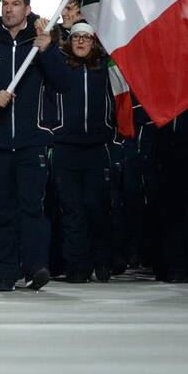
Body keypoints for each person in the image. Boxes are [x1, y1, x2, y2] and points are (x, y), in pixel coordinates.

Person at [0, 0, 69, 292]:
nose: (9, 9)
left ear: (26, 8)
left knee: (32, 208)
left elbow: (62, 83)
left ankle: (35, 266)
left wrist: (47, 50)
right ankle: (4, 272)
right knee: (1, 210)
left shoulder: (39, 45)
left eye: (16, 4)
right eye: (6, 4)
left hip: (32, 142)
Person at [51, 22, 116, 283]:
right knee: (72, 210)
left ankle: (101, 263)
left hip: (97, 148)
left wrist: (113, 134)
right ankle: (77, 267)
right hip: (66, 148)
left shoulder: (105, 69)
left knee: (97, 208)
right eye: (76, 37)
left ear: (94, 42)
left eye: (86, 38)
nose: (80, 42)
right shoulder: (62, 68)